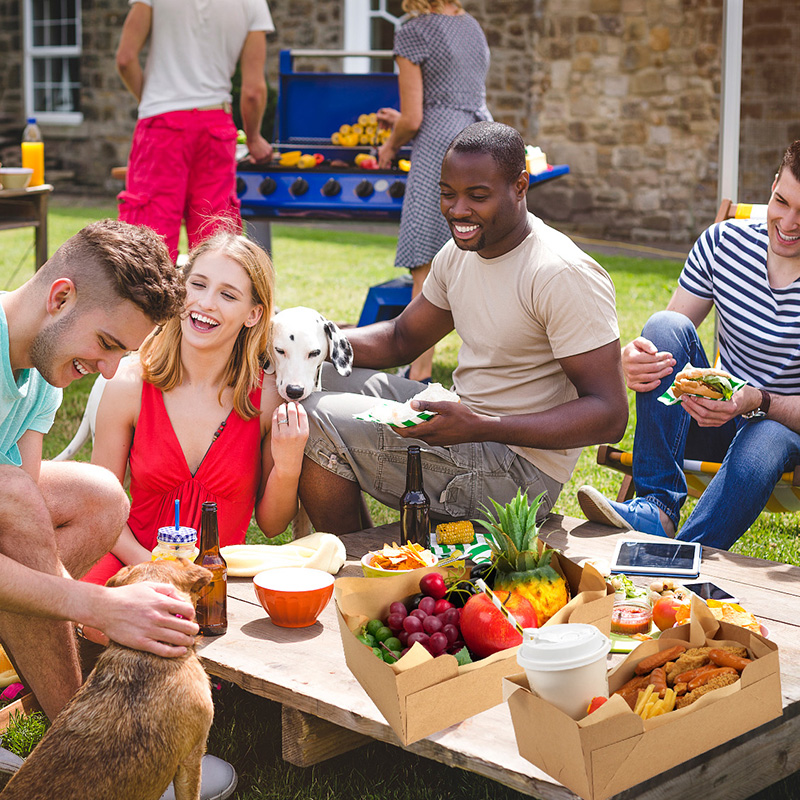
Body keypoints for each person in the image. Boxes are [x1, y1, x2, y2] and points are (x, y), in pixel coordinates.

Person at [298, 122, 627, 533]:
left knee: (312, 418)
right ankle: (368, 562)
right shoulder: (460, 254)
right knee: (309, 377)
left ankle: (352, 566)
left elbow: (610, 414)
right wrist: (314, 341)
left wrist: (481, 426)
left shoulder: (560, 273)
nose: (457, 211)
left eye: (478, 196)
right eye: (447, 194)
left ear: (520, 186)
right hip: (468, 426)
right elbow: (402, 339)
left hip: (518, 474)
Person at [0, 219, 193, 723]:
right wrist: (93, 606)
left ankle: (49, 686)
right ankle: (84, 740)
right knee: (14, 492)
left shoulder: (43, 377)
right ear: (60, 298)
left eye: (121, 354)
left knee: (101, 496)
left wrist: (117, 607)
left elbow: (30, 528)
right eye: (106, 343)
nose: (108, 371)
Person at [577, 140, 800, 550]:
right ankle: (656, 507)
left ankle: (675, 559)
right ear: (771, 187)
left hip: (783, 430)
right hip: (714, 415)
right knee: (664, 324)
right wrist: (637, 357)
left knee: (765, 435)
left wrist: (757, 400)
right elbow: (669, 337)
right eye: (781, 201)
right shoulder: (724, 243)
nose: (788, 222)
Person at [84, 230, 308, 586]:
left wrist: (289, 464)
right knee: (96, 620)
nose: (205, 303)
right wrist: (153, 571)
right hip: (131, 559)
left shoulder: (265, 399)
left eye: (227, 295)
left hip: (216, 578)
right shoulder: (128, 385)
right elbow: (98, 511)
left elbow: (272, 525)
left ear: (253, 314)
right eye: (198, 285)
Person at [376, 0, 491, 382]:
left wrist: (390, 146)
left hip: (440, 148)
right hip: (480, 139)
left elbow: (413, 118)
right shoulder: (471, 25)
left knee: (425, 266)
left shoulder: (413, 30)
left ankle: (418, 372)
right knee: (481, 257)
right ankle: (486, 371)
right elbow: (458, 97)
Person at [115, 0, 274, 262]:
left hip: (161, 126)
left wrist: (154, 102)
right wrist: (254, 138)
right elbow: (254, 92)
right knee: (216, 243)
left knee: (148, 244)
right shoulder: (253, 2)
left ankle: (149, 303)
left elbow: (125, 59)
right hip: (215, 127)